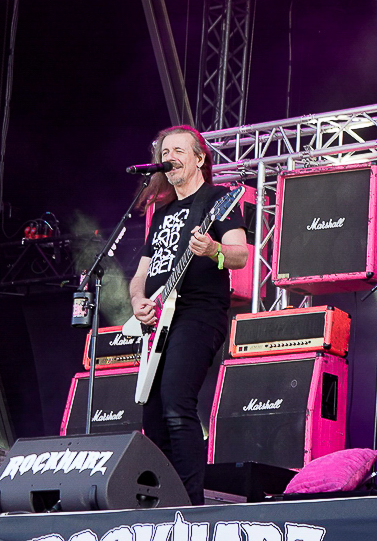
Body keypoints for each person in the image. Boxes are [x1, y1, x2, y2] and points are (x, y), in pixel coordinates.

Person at [127, 126, 247, 506]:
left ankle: (190, 506)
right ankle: (163, 501)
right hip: (159, 320)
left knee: (177, 400)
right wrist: (138, 301)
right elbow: (141, 274)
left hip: (198, 312)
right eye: (165, 152)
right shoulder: (162, 213)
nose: (170, 157)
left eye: (179, 150)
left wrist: (213, 250)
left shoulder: (218, 199)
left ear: (199, 158)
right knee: (153, 416)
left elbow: (240, 255)